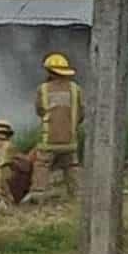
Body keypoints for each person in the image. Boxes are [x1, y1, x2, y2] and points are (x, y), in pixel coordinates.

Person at [23, 53, 84, 204]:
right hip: (70, 140)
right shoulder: (76, 89)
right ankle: (77, 195)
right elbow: (82, 113)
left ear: (50, 72)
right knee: (71, 166)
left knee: (42, 165)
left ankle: (38, 194)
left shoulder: (43, 89)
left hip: (48, 140)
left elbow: (40, 111)